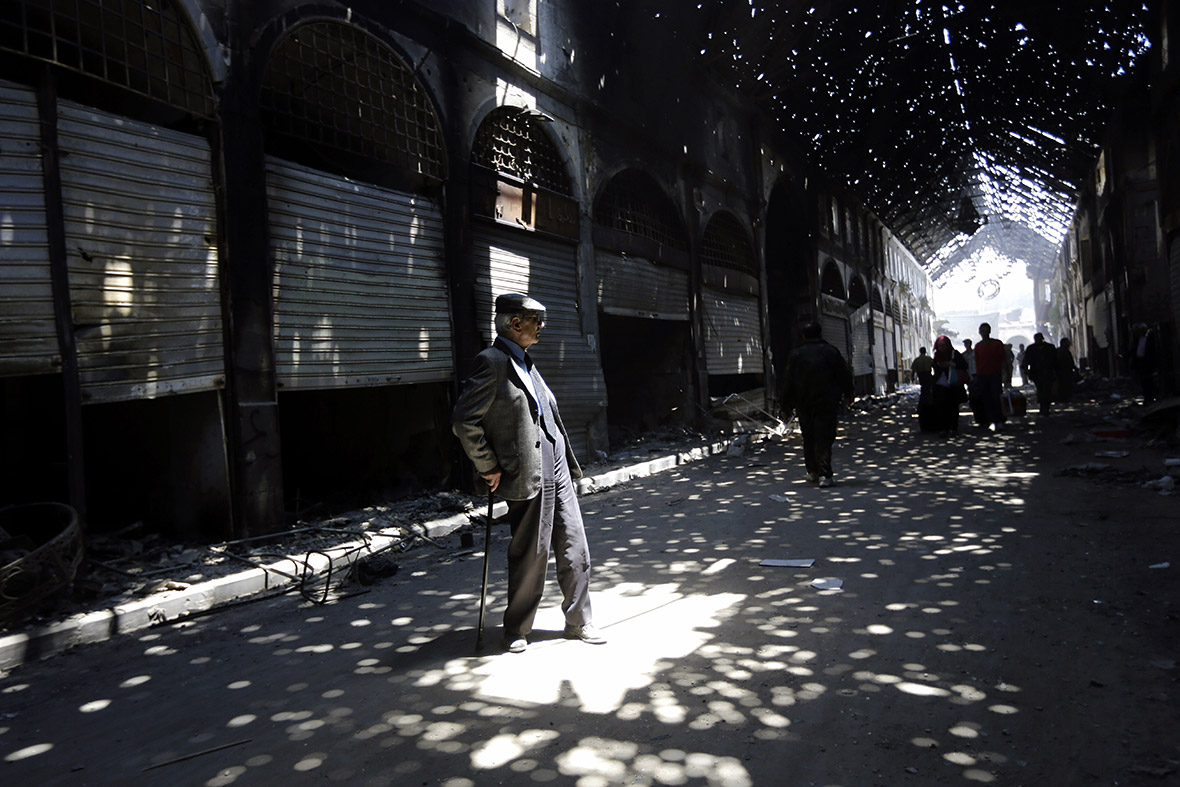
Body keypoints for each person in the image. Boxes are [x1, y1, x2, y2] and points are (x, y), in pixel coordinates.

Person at [451, 292, 605, 653]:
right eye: (537, 320)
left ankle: (579, 621)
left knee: (575, 545)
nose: (542, 327)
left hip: (557, 463)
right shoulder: (491, 362)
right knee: (531, 552)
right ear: (515, 323)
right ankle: (517, 630)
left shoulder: (525, 360)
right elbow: (463, 421)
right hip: (527, 470)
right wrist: (487, 465)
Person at [778, 321, 854, 488]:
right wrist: (848, 394)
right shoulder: (831, 352)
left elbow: (788, 382)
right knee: (824, 436)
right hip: (827, 402)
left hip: (804, 403)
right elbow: (844, 374)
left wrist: (785, 406)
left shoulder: (796, 354)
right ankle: (825, 474)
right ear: (820, 334)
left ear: (804, 336)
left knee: (809, 436)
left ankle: (813, 471)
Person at [929, 335, 970, 434]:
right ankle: (943, 428)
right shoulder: (937, 355)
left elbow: (964, 365)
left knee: (953, 407)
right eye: (939, 346)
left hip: (953, 384)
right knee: (941, 407)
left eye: (943, 345)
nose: (942, 348)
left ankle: (953, 428)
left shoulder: (954, 354)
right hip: (940, 385)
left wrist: (951, 364)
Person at [972, 323, 1006, 431]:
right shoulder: (978, 346)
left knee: (996, 397)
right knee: (986, 398)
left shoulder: (997, 344)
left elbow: (1003, 359)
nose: (984, 333)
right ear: (980, 332)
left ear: (989, 331)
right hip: (982, 375)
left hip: (995, 374)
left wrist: (1005, 374)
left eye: (986, 330)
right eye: (982, 331)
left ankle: (999, 420)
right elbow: (977, 361)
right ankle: (991, 420)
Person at [1023, 332, 1057, 415]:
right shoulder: (1031, 348)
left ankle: (1046, 408)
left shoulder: (1050, 348)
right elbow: (1026, 360)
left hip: (1048, 372)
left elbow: (1056, 360)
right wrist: (1025, 369)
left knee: (1046, 390)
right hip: (1037, 373)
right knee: (1041, 390)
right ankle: (1043, 407)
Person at [1129, 323, 1160, 404]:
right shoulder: (1138, 338)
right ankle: (1147, 398)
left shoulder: (1150, 336)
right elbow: (1134, 349)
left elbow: (1152, 350)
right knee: (1143, 382)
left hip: (1148, 363)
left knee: (1148, 381)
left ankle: (1151, 397)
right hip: (1140, 363)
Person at [911, 347, 936, 431]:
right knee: (928, 388)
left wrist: (912, 378)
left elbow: (913, 370)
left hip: (921, 375)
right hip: (928, 374)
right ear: (925, 352)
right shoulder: (929, 359)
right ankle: (929, 400)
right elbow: (935, 366)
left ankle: (923, 401)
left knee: (924, 388)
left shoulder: (917, 360)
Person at [1054, 337, 1080, 403]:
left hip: (1061, 371)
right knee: (1065, 385)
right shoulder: (1064, 351)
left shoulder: (1058, 350)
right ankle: (1065, 398)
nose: (1069, 344)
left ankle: (1063, 398)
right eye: (1067, 342)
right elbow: (1070, 362)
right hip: (1064, 371)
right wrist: (1075, 369)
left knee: (1062, 385)